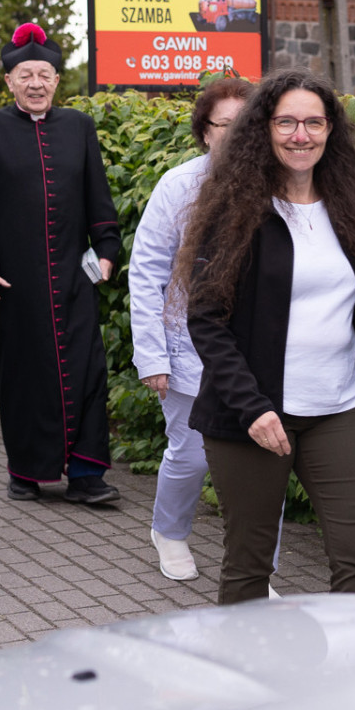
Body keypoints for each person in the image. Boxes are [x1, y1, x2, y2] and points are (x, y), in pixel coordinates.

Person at [177, 69, 355, 604]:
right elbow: (206, 321)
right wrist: (252, 407)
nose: (300, 135)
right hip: (255, 416)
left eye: (314, 122)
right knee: (249, 563)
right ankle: (249, 661)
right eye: (286, 122)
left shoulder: (349, 210)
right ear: (263, 128)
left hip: (341, 407)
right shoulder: (235, 211)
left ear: (331, 130)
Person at [0, 23, 123, 504]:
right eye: (26, 75)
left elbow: (98, 197)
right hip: (14, 281)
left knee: (88, 370)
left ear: (56, 80)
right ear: (9, 81)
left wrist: (106, 252)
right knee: (23, 376)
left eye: (44, 75)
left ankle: (87, 476)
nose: (35, 84)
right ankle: (26, 472)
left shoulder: (79, 127)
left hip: (74, 276)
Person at [129, 75, 256, 581]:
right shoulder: (178, 186)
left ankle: (256, 571)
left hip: (258, 351)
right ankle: (169, 531)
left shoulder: (281, 183)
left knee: (261, 465)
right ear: (205, 132)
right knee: (191, 455)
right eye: (226, 125)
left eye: (247, 124)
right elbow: (147, 273)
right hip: (190, 349)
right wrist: (152, 356)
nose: (237, 134)